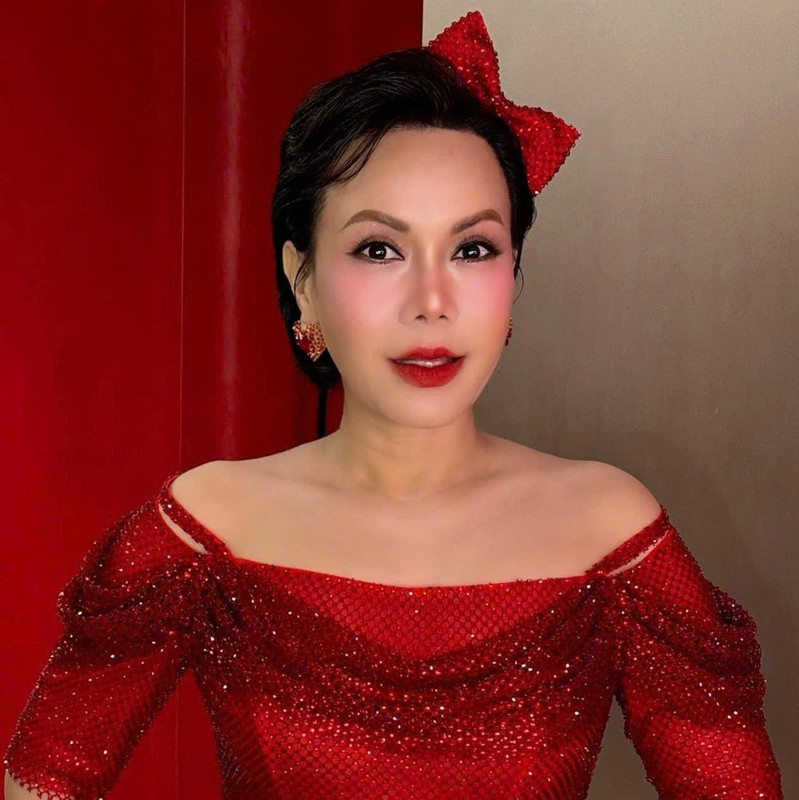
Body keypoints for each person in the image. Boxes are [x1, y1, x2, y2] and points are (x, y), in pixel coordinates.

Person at [3, 10, 785, 799]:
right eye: (379, 249)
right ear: (303, 277)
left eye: (472, 248)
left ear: (513, 271)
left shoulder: (611, 534)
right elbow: (42, 779)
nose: (431, 302)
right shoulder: (204, 531)